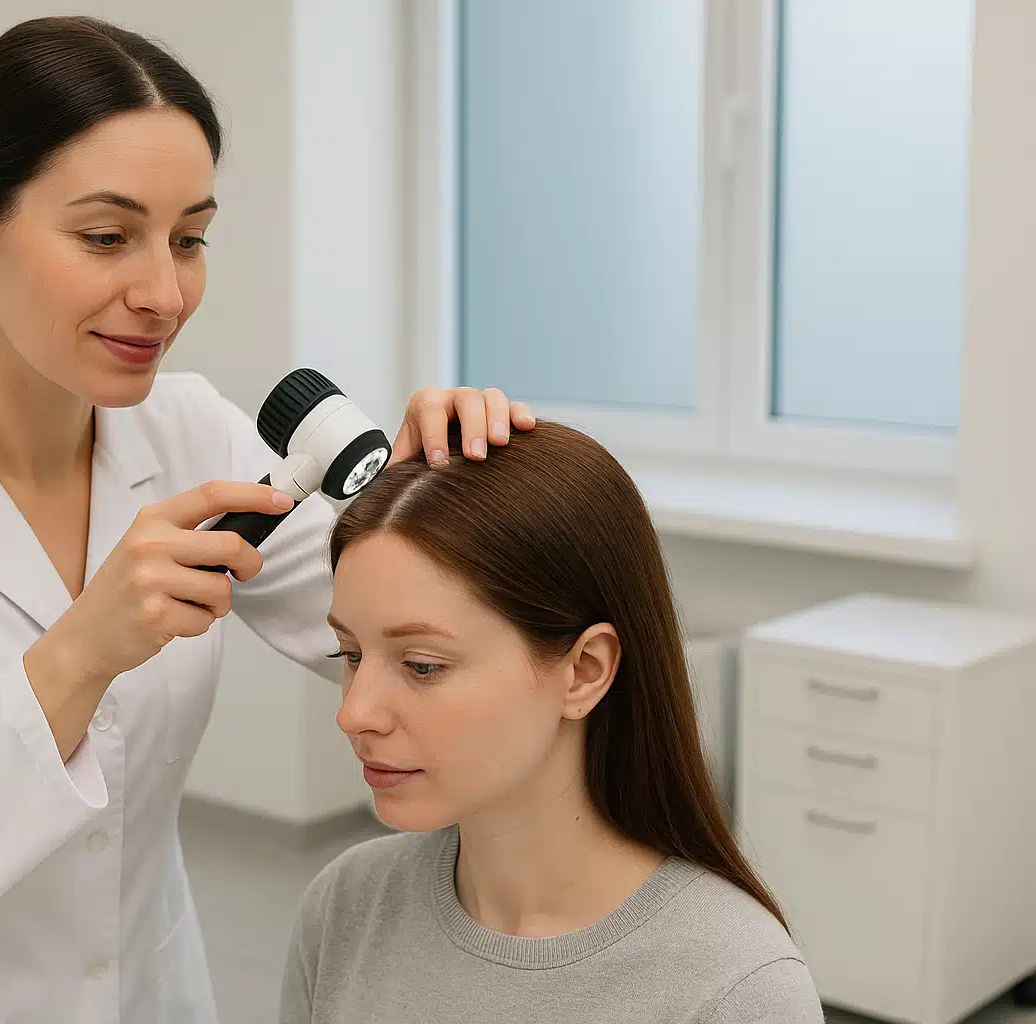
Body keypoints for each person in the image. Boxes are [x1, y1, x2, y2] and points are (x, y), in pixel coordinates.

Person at [0, 15, 531, 1024]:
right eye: (108, 237)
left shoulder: (193, 433)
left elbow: (402, 645)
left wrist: (440, 507)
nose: (164, 291)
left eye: (189, 238)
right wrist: (79, 654)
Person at [282, 422, 824, 1023]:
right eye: (350, 655)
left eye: (422, 665)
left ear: (584, 671)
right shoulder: (346, 908)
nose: (353, 712)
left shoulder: (739, 990)